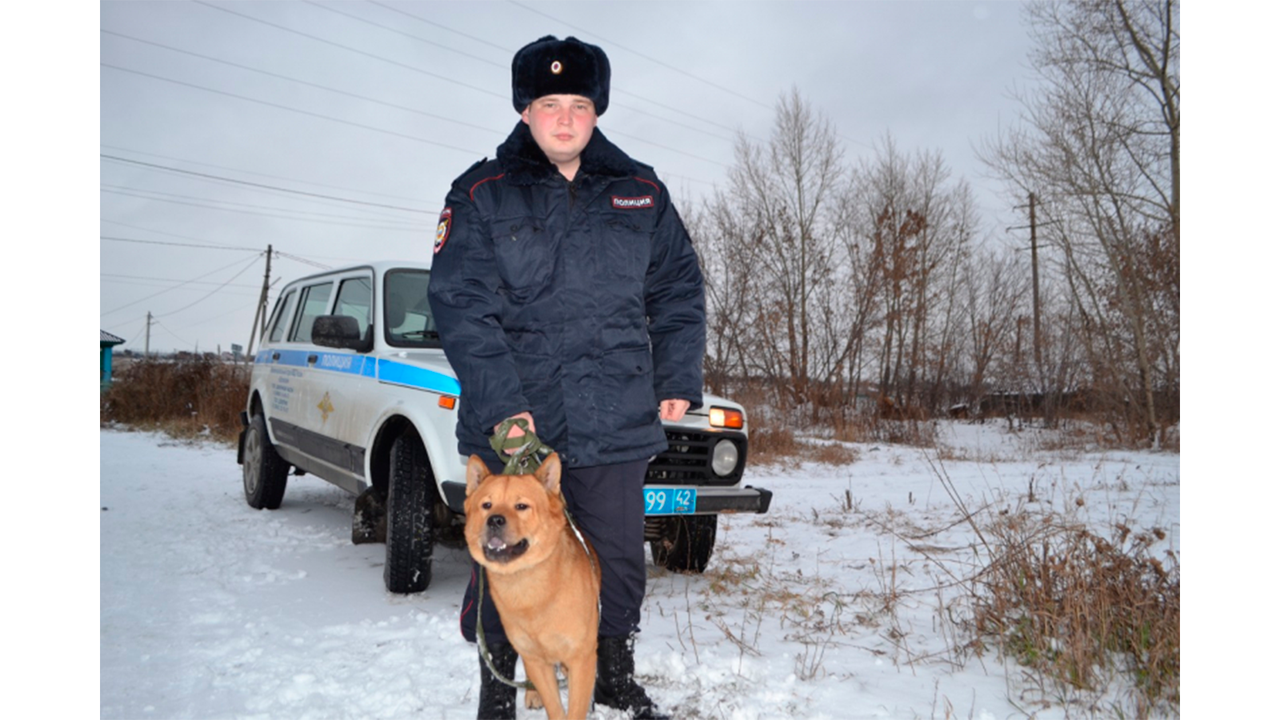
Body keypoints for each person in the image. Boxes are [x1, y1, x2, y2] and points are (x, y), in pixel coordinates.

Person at [427, 35, 705, 720]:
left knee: (620, 559)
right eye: (549, 104)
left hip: (614, 416)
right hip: (518, 418)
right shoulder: (483, 192)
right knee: (505, 552)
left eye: (579, 104)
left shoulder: (641, 193)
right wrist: (503, 410)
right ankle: (499, 687)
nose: (564, 118)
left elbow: (677, 288)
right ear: (525, 110)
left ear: (597, 112)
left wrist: (677, 373)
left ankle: (610, 670)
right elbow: (461, 306)